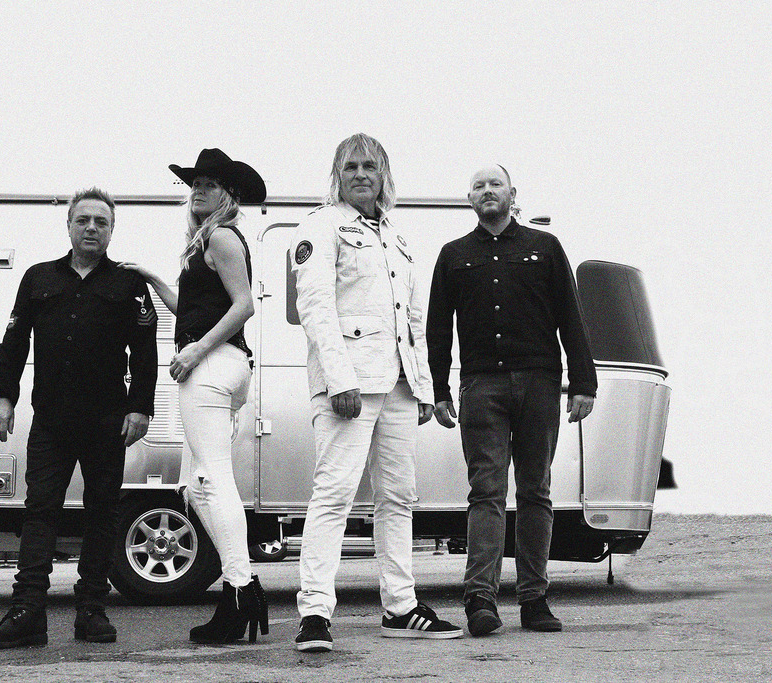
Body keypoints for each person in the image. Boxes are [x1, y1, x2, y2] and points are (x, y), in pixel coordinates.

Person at [290, 134, 463, 652]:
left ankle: (401, 606)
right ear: (337, 176)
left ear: (384, 174)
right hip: (349, 385)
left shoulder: (397, 238)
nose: (361, 174)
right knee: (334, 495)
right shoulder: (321, 226)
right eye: (351, 167)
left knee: (398, 498)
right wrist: (339, 378)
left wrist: (424, 387)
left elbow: (414, 319)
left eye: (370, 166)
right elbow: (315, 305)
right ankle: (315, 612)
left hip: (399, 387)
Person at [0, 187, 158, 649]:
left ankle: (91, 609)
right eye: (83, 220)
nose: (92, 228)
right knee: (40, 511)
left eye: (101, 221)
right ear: (69, 225)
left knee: (102, 512)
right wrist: (3, 396)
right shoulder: (38, 278)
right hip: (51, 421)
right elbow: (13, 342)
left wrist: (140, 406)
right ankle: (28, 612)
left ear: (112, 230)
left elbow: (145, 351)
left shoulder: (129, 284)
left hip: (107, 421)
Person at [426, 165, 597, 636]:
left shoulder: (546, 247)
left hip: (540, 383)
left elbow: (571, 316)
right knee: (486, 492)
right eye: (478, 186)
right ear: (470, 199)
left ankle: (534, 600)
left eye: (495, 184)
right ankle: (480, 600)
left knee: (535, 490)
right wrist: (438, 390)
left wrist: (584, 382)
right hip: (481, 387)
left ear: (512, 193)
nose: (487, 191)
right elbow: (438, 328)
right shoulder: (453, 255)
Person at [121, 148, 269, 644]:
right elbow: (190, 308)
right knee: (194, 487)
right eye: (195, 184)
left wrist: (197, 350)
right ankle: (241, 586)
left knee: (211, 478)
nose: (198, 190)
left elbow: (244, 305)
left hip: (213, 364)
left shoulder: (222, 236)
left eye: (210, 184)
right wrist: (153, 279)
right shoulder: (203, 242)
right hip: (219, 365)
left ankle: (240, 591)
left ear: (229, 194)